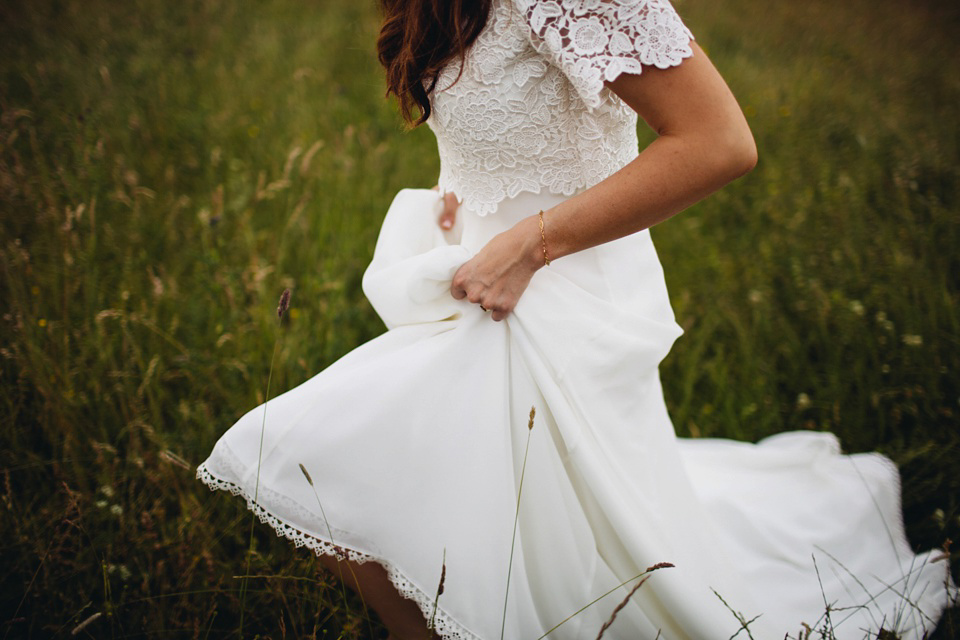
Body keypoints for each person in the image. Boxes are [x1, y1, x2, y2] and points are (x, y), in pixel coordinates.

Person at [197, 0, 954, 638]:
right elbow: (510, 127)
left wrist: (533, 242)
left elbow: (719, 141)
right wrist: (460, 190)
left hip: (561, 290)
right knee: (459, 500)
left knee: (313, 452)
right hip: (483, 282)